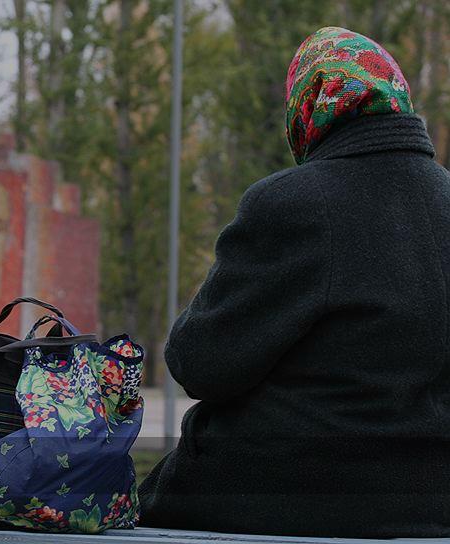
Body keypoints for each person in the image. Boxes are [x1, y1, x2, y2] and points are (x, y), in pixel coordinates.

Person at [139, 27, 450, 538]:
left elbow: (201, 366)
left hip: (291, 491)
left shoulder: (293, 203)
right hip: (433, 500)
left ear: (308, 107)